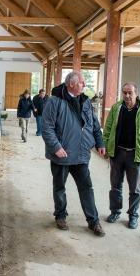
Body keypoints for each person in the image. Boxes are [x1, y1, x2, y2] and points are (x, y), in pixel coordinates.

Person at [42, 72, 106, 236]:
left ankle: (94, 221)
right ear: (71, 84)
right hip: (62, 154)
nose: (85, 85)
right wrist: (56, 147)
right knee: (60, 187)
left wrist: (100, 142)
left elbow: (94, 124)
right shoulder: (55, 101)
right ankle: (61, 216)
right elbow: (47, 127)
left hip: (81, 154)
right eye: (82, 83)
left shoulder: (85, 101)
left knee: (87, 188)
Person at [103, 83, 140, 229]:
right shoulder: (116, 108)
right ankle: (115, 211)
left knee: (135, 189)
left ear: (136, 93)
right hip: (117, 152)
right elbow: (108, 128)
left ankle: (133, 216)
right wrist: (106, 147)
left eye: (130, 93)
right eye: (124, 93)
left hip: (135, 154)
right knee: (115, 186)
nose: (126, 96)